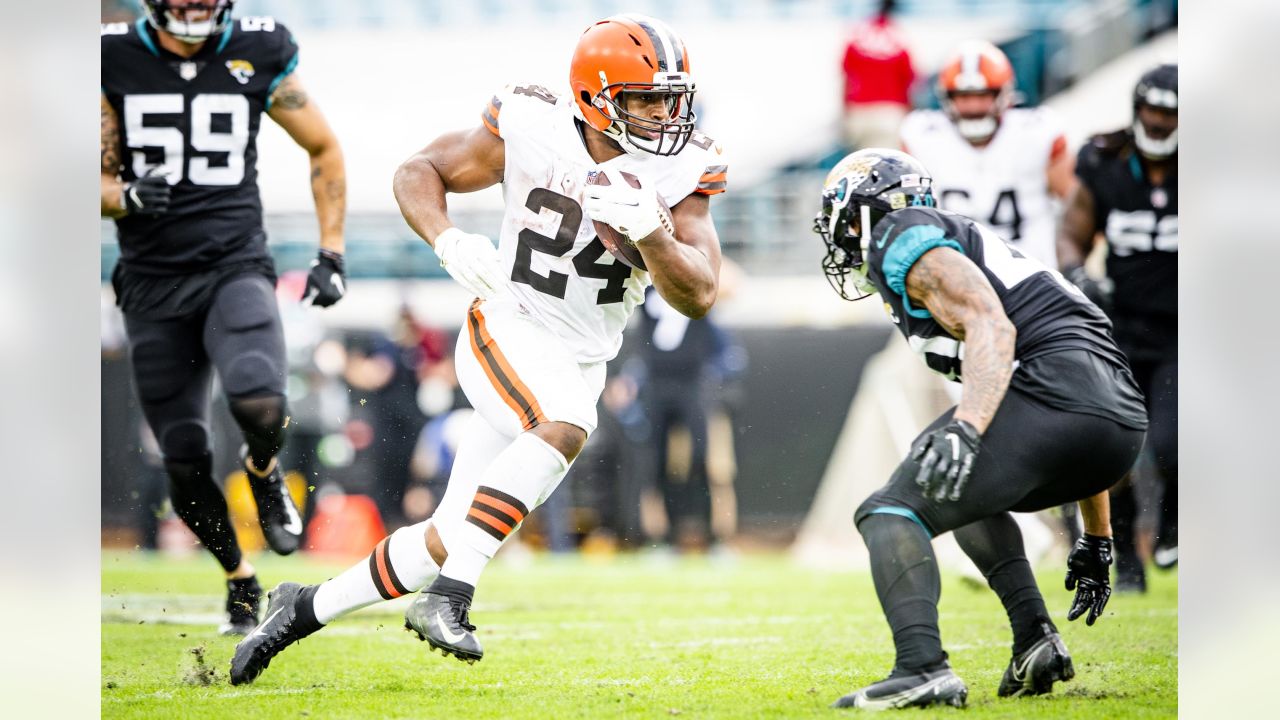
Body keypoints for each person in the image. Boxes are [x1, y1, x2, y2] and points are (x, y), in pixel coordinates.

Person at [230, 13, 727, 685]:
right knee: (568, 423)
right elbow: (419, 171)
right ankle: (451, 599)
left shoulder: (685, 164)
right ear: (593, 97)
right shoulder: (534, 122)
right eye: (644, 99)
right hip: (511, 319)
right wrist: (448, 239)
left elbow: (699, 292)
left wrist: (655, 237)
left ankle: (301, 608)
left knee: (445, 536)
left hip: (581, 351)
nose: (664, 115)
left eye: (671, 97)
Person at [813, 149, 1147, 709]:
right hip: (1117, 421)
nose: (842, 233)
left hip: (1059, 392)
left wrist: (967, 426)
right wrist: (1097, 535)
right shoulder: (961, 244)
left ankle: (921, 668)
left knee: (889, 510)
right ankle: (1035, 639)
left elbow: (992, 323)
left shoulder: (901, 234)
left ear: (867, 212)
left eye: (844, 218)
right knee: (959, 491)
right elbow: (1086, 400)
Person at [101, 0, 347, 635]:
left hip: (233, 265)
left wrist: (331, 252)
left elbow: (322, 144)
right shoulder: (111, 57)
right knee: (183, 455)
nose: (193, 6)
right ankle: (239, 577)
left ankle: (264, 472)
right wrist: (121, 197)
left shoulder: (259, 48)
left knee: (261, 405)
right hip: (153, 283)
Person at [1058, 64, 1178, 589]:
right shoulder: (1105, 160)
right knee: (1114, 442)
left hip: (1186, 330)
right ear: (1136, 109)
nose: (1159, 121)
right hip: (1120, 326)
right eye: (1152, 109)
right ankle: (1125, 553)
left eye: (1170, 112)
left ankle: (1173, 524)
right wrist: (1080, 274)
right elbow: (1071, 231)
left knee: (1174, 439)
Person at [899, 40, 1075, 269]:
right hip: (956, 271)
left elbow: (1074, 202)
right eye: (963, 97)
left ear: (1004, 94)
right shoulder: (920, 135)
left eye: (983, 95)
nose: (973, 107)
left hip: (1032, 270)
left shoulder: (1038, 131)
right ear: (947, 98)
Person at [840, 0, 916, 152]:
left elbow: (846, 76)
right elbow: (908, 81)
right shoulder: (899, 37)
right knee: (889, 166)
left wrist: (845, 111)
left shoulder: (857, 36)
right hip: (890, 111)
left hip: (859, 110)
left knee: (859, 167)